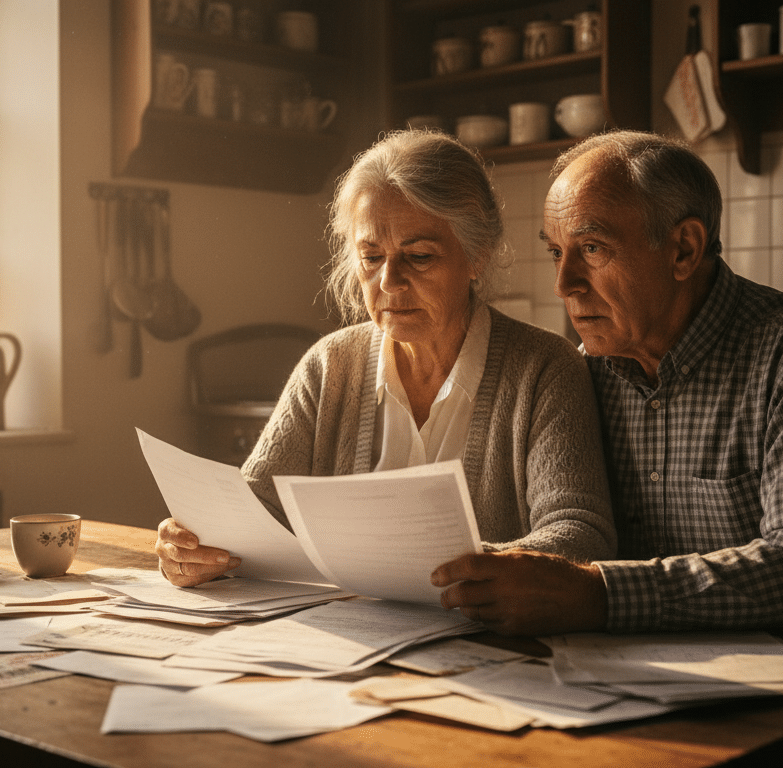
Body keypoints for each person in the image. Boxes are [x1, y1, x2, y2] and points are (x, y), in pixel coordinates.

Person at [434, 130, 783, 636]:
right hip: (651, 680)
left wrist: (601, 594)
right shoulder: (584, 371)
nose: (564, 283)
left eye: (592, 248)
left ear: (684, 249)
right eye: (556, 252)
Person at [155, 130, 617, 587]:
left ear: (477, 255)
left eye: (418, 256)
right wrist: (194, 547)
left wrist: (444, 568)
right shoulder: (328, 367)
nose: (389, 282)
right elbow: (252, 516)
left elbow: (581, 535)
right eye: (371, 257)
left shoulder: (545, 368)